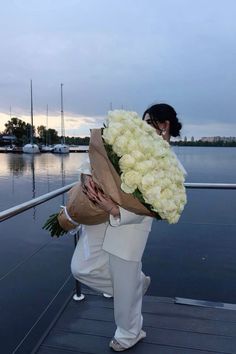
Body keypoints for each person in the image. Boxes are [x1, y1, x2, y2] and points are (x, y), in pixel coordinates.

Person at [71, 103, 183, 352]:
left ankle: (129, 334)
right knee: (81, 267)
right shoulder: (129, 142)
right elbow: (96, 159)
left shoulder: (169, 166)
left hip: (128, 227)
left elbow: (154, 209)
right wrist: (86, 175)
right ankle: (137, 285)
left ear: (163, 126)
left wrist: (116, 209)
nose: (143, 126)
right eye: (143, 120)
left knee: (124, 287)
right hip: (100, 217)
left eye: (149, 122)